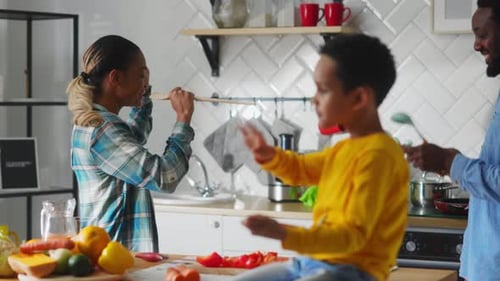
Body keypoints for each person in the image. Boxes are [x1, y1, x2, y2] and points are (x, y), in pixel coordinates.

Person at [237, 33, 409, 281]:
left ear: (359, 98)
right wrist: (269, 155)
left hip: (352, 272)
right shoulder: (344, 149)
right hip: (311, 261)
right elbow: (301, 170)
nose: (314, 99)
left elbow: (352, 237)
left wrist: (285, 234)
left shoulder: (379, 156)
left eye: (323, 90)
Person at [66, 35, 195, 252]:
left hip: (108, 254)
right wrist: (183, 119)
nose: (144, 85)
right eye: (141, 76)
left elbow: (131, 141)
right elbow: (165, 177)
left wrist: (143, 97)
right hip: (112, 258)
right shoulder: (102, 131)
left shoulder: (100, 124)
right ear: (115, 78)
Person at [403, 1, 500, 280]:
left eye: (482, 34)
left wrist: (449, 162)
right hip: (483, 264)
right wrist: (449, 161)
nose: (476, 45)